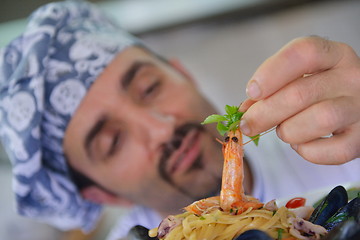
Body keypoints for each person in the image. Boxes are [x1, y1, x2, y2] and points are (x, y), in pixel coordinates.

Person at [0, 1, 359, 239]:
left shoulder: (335, 132)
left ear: (182, 73)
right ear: (100, 193)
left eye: (149, 87)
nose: (161, 128)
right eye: (112, 141)